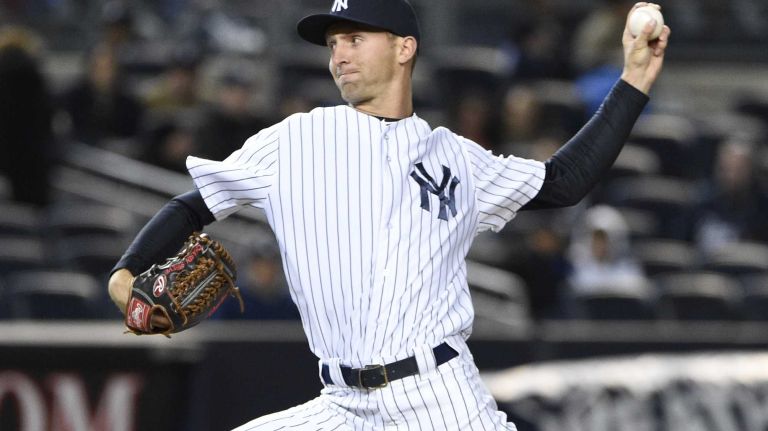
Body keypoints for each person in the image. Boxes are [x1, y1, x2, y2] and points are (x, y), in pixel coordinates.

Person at [108, 1, 670, 429]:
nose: (339, 54)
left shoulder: (457, 158)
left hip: (438, 398)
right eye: (333, 42)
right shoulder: (294, 141)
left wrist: (635, 80)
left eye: (355, 38)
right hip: (343, 404)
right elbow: (194, 204)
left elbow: (564, 181)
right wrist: (126, 273)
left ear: (404, 48)